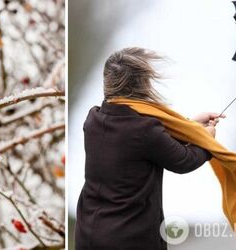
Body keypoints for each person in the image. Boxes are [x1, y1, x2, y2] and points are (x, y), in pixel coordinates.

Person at [74, 47, 225, 250]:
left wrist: (192, 126)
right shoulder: (144, 129)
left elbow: (148, 144)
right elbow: (184, 160)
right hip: (129, 238)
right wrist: (208, 141)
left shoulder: (94, 119)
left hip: (89, 233)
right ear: (141, 84)